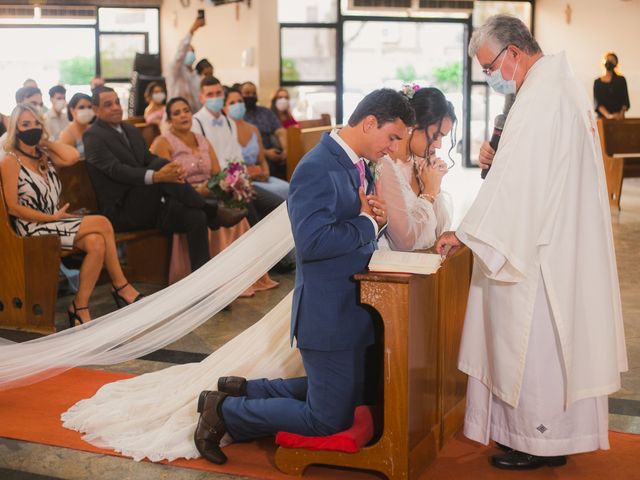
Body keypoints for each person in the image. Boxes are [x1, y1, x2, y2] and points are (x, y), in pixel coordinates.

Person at [435, 14, 627, 470]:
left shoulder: (542, 97)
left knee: (533, 340)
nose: (489, 77)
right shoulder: (556, 86)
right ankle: (541, 439)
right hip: (556, 237)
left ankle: (537, 441)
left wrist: (465, 233)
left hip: (540, 251)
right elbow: (525, 169)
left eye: (489, 67)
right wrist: (495, 158)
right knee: (540, 342)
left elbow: (520, 183)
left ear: (513, 53)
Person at [193, 88, 413, 465]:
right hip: (329, 312)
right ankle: (225, 412)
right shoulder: (317, 166)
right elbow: (311, 243)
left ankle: (245, 390)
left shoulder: (352, 163)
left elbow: (348, 226)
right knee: (329, 418)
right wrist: (365, 222)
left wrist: (373, 220)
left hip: (352, 307)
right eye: (392, 137)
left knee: (353, 391)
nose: (393, 148)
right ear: (370, 122)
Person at [0, 103, 143, 326]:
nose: (32, 128)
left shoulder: (43, 156)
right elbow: (13, 207)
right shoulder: (10, 161)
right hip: (31, 227)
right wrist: (51, 218)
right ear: (15, 129)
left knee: (96, 243)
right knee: (103, 223)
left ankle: (79, 305)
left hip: (55, 221)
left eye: (37, 123)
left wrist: (44, 141)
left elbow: (72, 156)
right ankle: (121, 286)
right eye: (25, 124)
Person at [84, 86, 246, 274]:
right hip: (122, 211)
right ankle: (212, 209)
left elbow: (147, 158)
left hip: (149, 206)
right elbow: (116, 170)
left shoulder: (129, 128)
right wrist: (157, 175)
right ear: (96, 110)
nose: (116, 107)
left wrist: (172, 166)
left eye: (117, 102)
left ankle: (203, 284)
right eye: (108, 104)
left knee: (196, 216)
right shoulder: (93, 136)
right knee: (159, 170)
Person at [150, 96, 278, 293]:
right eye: (177, 113)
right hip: (182, 197)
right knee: (214, 213)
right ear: (169, 120)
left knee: (239, 209)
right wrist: (196, 190)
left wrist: (223, 184)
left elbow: (217, 173)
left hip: (208, 192)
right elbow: (167, 180)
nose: (183, 115)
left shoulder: (201, 140)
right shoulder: (163, 142)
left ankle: (239, 275)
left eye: (186, 110)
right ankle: (216, 283)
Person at [193, 77, 283, 227]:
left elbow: (237, 157)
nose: (215, 98)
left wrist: (242, 181)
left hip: (237, 182)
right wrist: (230, 181)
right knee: (251, 212)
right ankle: (259, 246)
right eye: (210, 95)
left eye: (218, 93)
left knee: (278, 205)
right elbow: (203, 163)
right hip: (215, 185)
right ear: (201, 98)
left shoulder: (229, 122)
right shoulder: (196, 123)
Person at [379, 87, 455, 251]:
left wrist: (434, 183)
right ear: (414, 125)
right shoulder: (384, 165)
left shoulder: (417, 163)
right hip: (400, 269)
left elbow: (437, 231)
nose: (439, 145)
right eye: (436, 136)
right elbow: (404, 242)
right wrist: (429, 192)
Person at [224, 87, 289, 201]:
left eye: (240, 102)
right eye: (232, 103)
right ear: (224, 108)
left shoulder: (253, 129)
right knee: (276, 198)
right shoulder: (224, 131)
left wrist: (265, 173)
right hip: (241, 181)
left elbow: (262, 160)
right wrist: (250, 175)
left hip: (260, 178)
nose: (237, 105)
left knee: (287, 188)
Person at [240, 81, 288, 179]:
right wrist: (265, 152)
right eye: (247, 93)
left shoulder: (266, 112)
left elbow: (280, 131)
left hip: (273, 153)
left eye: (253, 93)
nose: (251, 96)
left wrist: (286, 150)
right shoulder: (239, 116)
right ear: (240, 95)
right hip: (252, 159)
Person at [166, 16, 205, 111]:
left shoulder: (196, 76)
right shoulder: (175, 70)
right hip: (175, 115)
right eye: (187, 51)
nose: (190, 54)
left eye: (192, 51)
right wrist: (191, 31)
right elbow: (180, 54)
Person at [594, 52, 630, 120]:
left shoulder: (621, 80)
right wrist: (609, 116)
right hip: (603, 120)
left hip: (619, 119)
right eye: (607, 59)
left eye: (612, 60)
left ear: (616, 63)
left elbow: (625, 101)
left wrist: (620, 115)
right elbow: (598, 103)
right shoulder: (597, 82)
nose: (609, 62)